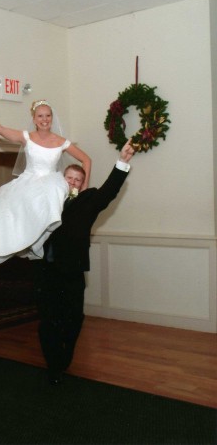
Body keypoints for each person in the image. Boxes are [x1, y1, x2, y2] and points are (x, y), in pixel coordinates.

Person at [34, 138, 135, 384]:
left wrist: (121, 162)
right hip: (46, 272)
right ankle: (54, 365)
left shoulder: (87, 202)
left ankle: (65, 357)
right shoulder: (45, 201)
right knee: (48, 321)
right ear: (61, 179)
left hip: (72, 272)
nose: (73, 182)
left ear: (82, 184)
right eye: (69, 178)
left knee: (74, 318)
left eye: (78, 179)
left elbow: (109, 191)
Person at [0, 99, 91, 265]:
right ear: (34, 119)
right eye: (40, 116)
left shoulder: (61, 141)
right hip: (30, 179)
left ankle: (40, 239)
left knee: (52, 196)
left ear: (52, 118)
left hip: (52, 181)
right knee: (6, 197)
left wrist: (83, 190)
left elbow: (86, 160)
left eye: (48, 115)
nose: (45, 119)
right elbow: (1, 130)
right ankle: (17, 241)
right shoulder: (27, 137)